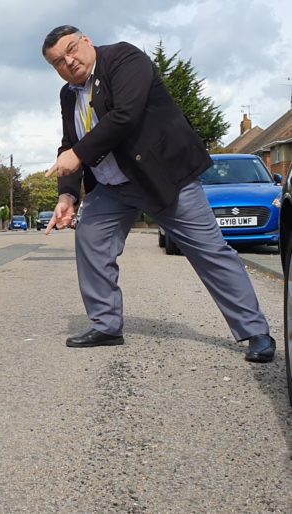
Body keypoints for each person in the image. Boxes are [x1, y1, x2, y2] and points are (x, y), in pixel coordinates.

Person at [41, 25, 275, 362]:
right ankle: (106, 325)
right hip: (112, 187)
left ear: (87, 42)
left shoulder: (123, 58)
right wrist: (67, 197)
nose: (69, 61)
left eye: (72, 49)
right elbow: (71, 144)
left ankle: (256, 332)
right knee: (90, 238)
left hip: (163, 177)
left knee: (210, 251)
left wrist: (77, 155)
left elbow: (125, 116)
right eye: (58, 61)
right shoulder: (68, 95)